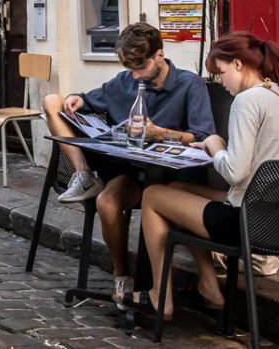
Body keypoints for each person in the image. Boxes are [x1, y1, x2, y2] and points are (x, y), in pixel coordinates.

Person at [133, 32, 279, 319]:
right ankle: (208, 285)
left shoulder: (246, 101)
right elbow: (262, 159)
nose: (220, 82)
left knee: (153, 195)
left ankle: (159, 295)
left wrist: (215, 146)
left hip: (248, 222)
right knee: (179, 187)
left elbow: (234, 172)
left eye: (221, 72)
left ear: (238, 64)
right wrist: (224, 150)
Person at [40, 22, 216, 307]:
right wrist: (77, 99)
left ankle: (161, 293)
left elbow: (204, 138)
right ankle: (121, 275)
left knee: (156, 197)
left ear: (159, 55)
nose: (136, 75)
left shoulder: (189, 85)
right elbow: (90, 99)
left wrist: (161, 133)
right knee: (107, 202)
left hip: (171, 180)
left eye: (141, 67)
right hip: (131, 173)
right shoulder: (126, 81)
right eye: (130, 69)